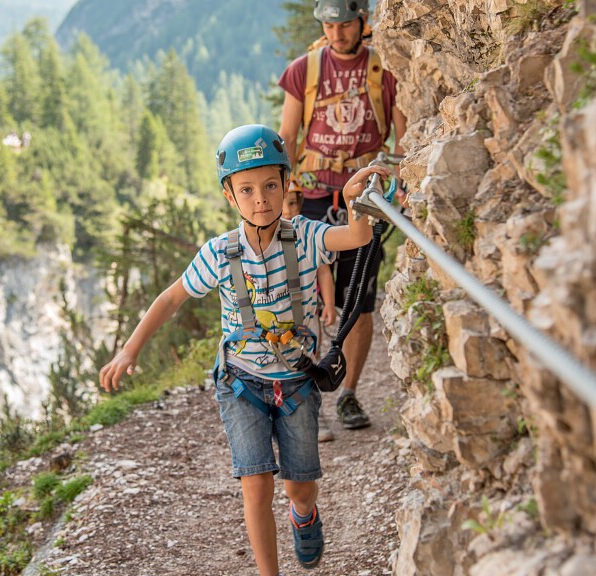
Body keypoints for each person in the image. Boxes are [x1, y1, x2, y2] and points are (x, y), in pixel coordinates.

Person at [99, 124, 385, 576]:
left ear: (286, 184)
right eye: (247, 189)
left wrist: (354, 203)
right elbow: (171, 298)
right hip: (241, 382)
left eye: (271, 185)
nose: (261, 199)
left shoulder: (306, 236)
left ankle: (304, 514)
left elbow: (356, 239)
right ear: (230, 196)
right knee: (255, 485)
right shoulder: (219, 253)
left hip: (296, 381)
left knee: (298, 489)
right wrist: (129, 349)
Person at [278, 0, 407, 431]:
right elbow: (288, 135)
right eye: (329, 25)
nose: (336, 33)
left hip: (364, 197)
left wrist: (401, 184)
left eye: (345, 24)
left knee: (359, 301)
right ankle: (303, 395)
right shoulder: (304, 70)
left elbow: (403, 137)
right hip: (312, 198)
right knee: (301, 298)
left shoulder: (384, 70)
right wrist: (281, 191)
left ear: (362, 22)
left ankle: (348, 392)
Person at [282, 187, 338, 443]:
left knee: (310, 359)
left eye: (293, 203)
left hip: (308, 314)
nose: (288, 210)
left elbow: (324, 272)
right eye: (284, 204)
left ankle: (316, 414)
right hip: (278, 318)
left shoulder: (307, 234)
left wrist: (329, 305)